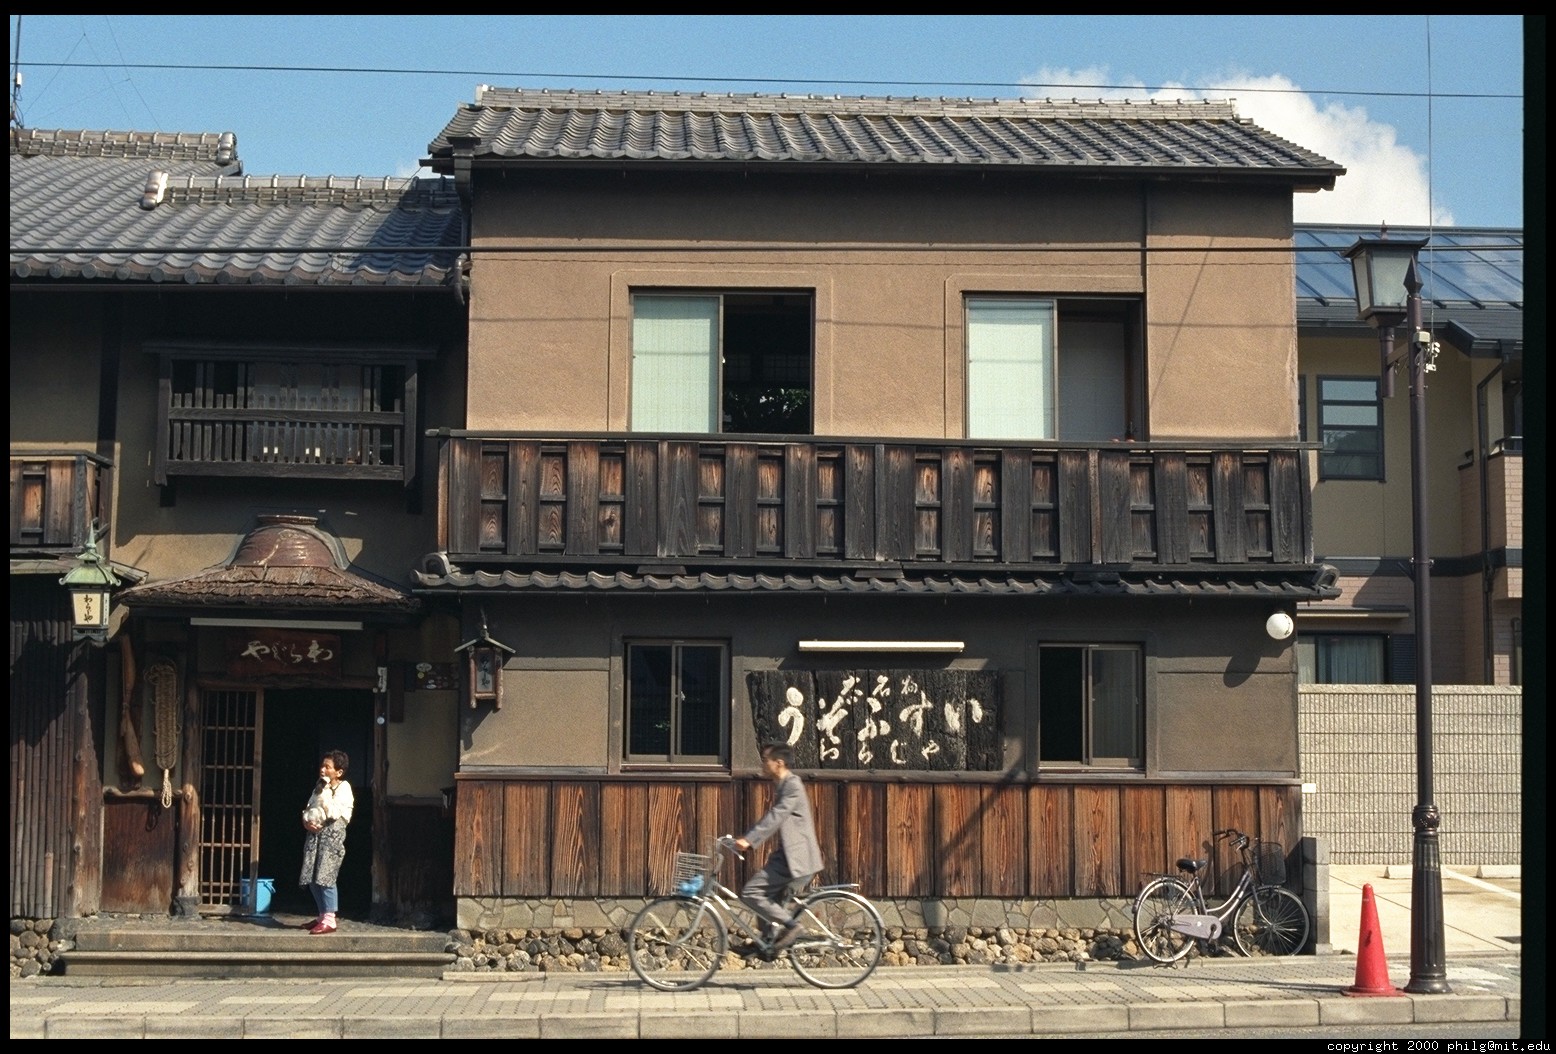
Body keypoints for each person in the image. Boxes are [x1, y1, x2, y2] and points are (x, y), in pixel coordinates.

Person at [735, 742, 823, 952]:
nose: (763, 764)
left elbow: (776, 816)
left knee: (752, 892)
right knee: (765, 895)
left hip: (796, 859)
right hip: (787, 856)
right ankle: (766, 943)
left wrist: (749, 840)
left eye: (766, 760)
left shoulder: (792, 785)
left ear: (779, 763)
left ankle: (792, 927)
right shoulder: (782, 785)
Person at [298, 749, 353, 934]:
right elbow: (308, 807)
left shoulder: (343, 788)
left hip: (332, 837)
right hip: (314, 836)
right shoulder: (319, 786)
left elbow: (333, 812)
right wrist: (306, 822)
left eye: (327, 767)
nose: (322, 769)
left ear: (339, 772)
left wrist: (326, 791)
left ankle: (330, 919)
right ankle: (322, 915)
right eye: (322, 766)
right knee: (312, 876)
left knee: (326, 876)